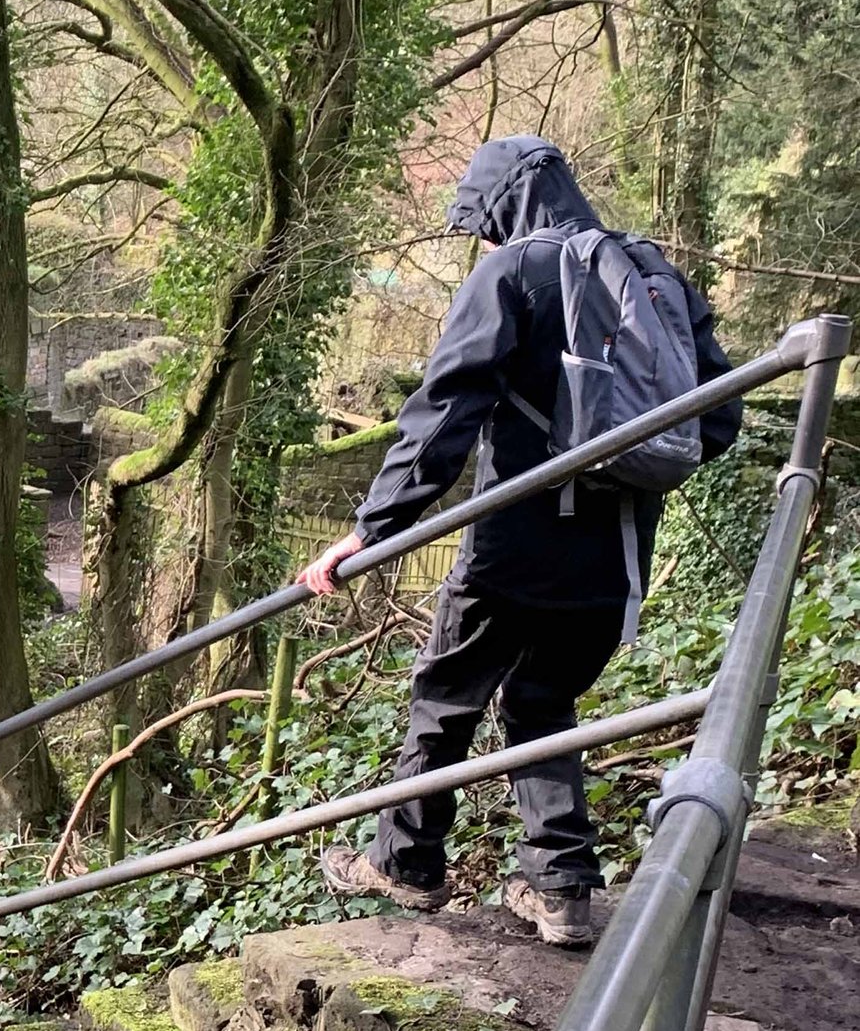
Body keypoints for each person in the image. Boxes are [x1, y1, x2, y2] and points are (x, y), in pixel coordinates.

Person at [300, 135, 737, 948]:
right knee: (544, 702)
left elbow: (442, 416)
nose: (484, 242)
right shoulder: (655, 275)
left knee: (446, 692)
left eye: (483, 225)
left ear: (501, 211)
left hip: (517, 543)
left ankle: (406, 862)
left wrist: (370, 533)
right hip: (619, 551)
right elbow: (720, 418)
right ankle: (563, 886)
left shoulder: (514, 272)